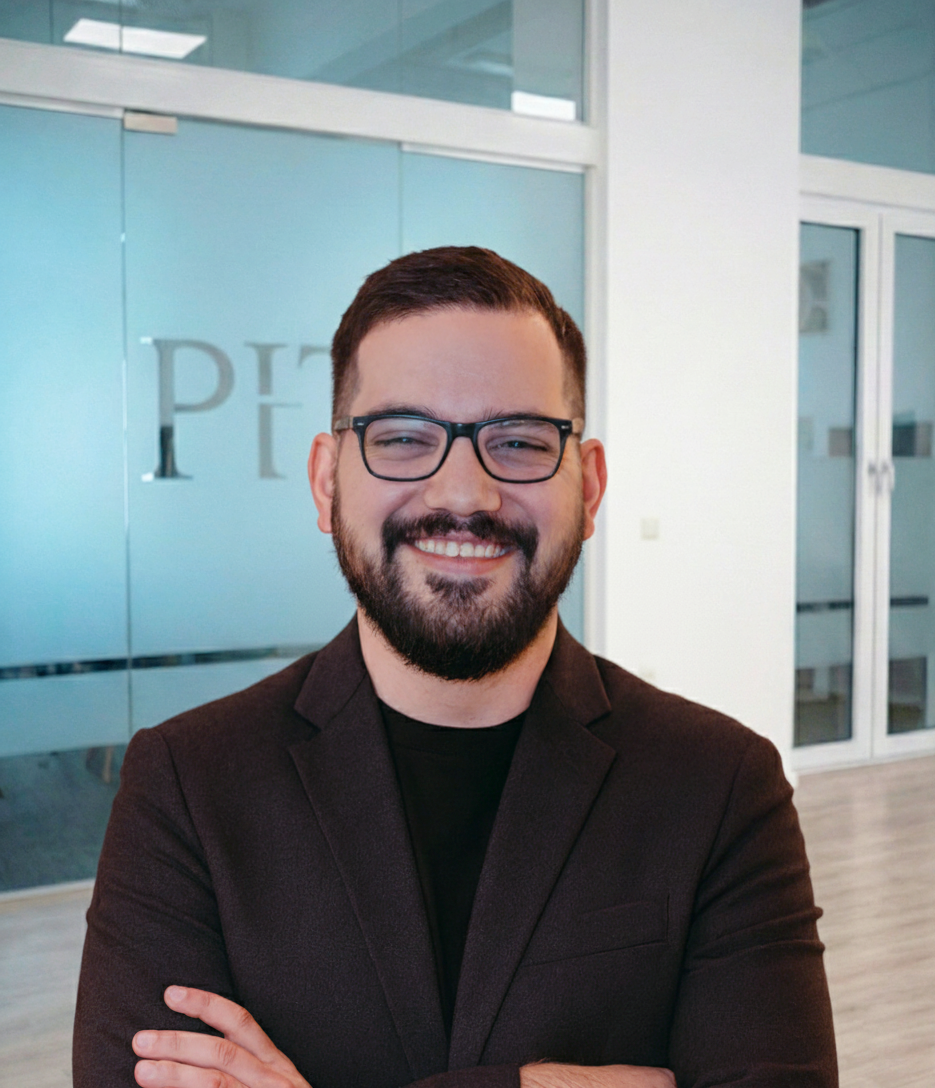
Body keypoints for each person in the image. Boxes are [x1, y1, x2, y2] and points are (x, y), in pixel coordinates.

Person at [74, 247, 837, 1088]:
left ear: (588, 486)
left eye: (517, 441)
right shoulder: (186, 784)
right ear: (328, 483)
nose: (465, 494)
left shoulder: (722, 784)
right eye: (403, 438)